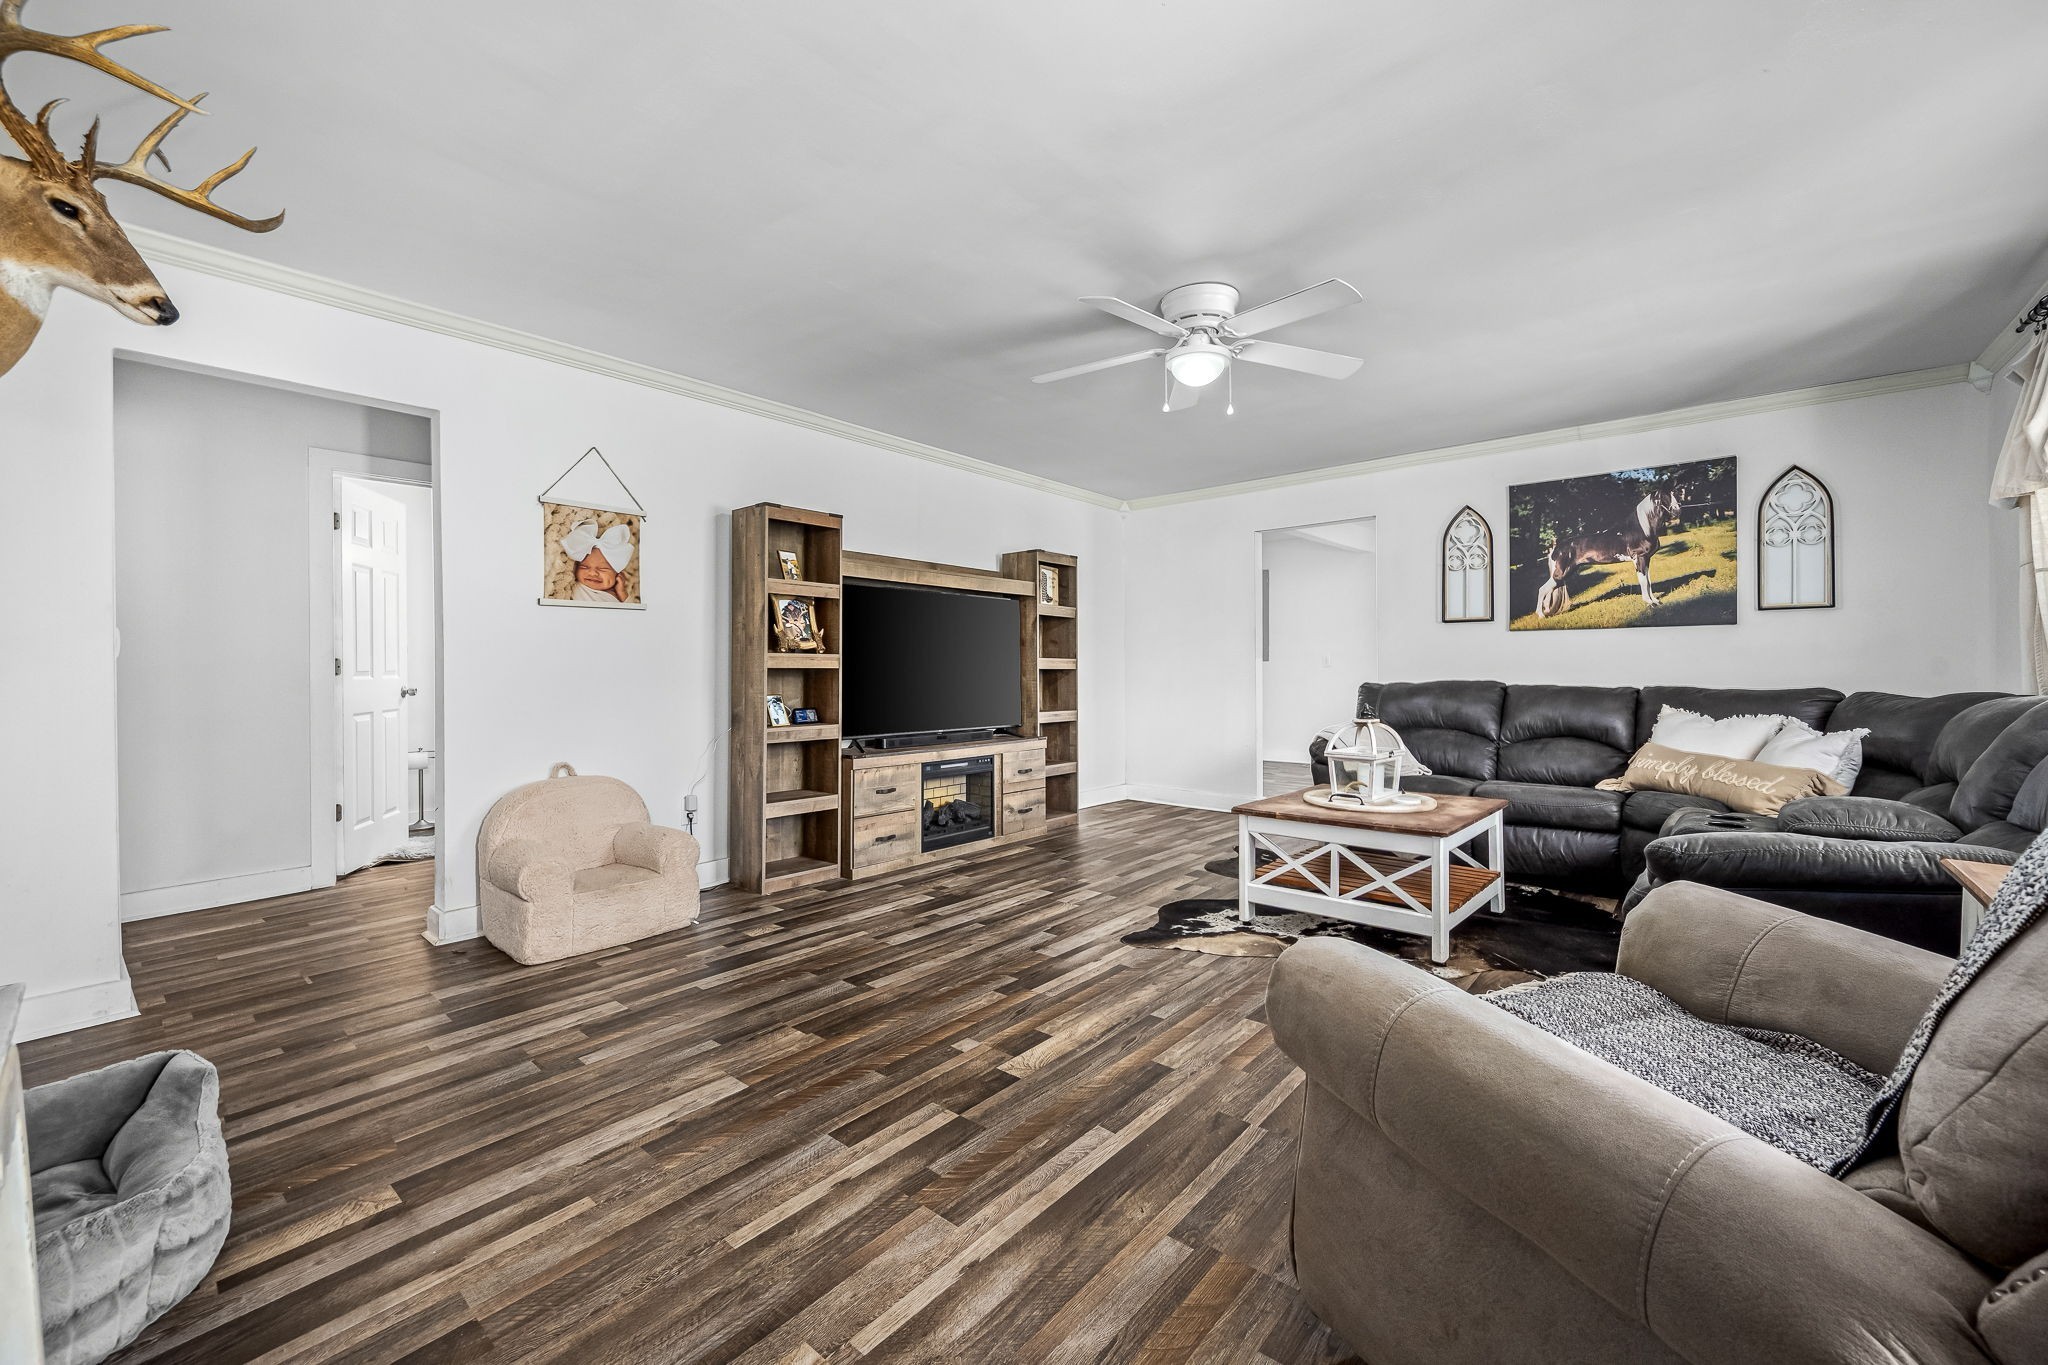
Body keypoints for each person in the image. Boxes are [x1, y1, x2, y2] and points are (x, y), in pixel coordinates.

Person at [560, 521, 634, 604]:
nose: (592, 573)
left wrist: (622, 592)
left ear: (618, 574)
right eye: (584, 567)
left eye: (603, 569)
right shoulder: (577, 587)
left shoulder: (618, 594)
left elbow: (633, 613)